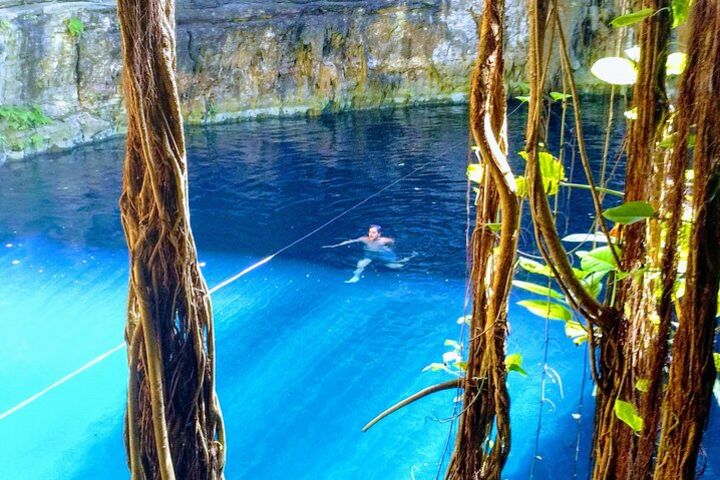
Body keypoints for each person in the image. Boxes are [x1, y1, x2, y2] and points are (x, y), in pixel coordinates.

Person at [323, 225, 416, 283]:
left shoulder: (384, 240)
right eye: (370, 232)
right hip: (369, 255)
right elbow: (350, 241)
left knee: (397, 265)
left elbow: (393, 243)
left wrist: (388, 249)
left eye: (373, 232)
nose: (370, 234)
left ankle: (411, 256)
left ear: (379, 234)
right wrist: (334, 246)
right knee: (360, 264)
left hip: (382, 255)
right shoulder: (365, 239)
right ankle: (356, 277)